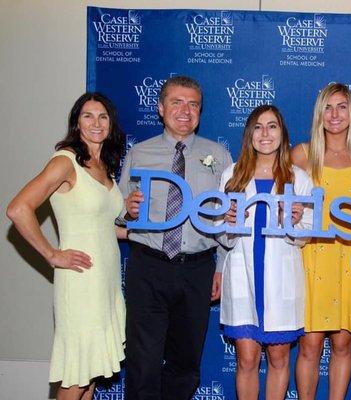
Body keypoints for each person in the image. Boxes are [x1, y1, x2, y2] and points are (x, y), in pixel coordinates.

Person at [6, 93, 126, 400]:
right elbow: (18, 209)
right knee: (76, 376)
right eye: (88, 116)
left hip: (105, 282)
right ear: (76, 122)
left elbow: (102, 227)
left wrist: (143, 232)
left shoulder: (103, 167)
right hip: (81, 281)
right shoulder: (65, 162)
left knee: (90, 373)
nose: (96, 123)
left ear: (111, 123)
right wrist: (51, 254)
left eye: (103, 116)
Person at [119, 75, 232, 400]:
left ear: (200, 111)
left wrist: (221, 266)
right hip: (148, 267)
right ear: (160, 108)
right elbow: (120, 213)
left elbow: (225, 219)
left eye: (193, 104)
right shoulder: (140, 153)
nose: (185, 111)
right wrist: (127, 210)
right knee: (143, 362)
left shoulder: (218, 155)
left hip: (197, 269)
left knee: (186, 362)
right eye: (177, 102)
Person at [218, 104, 313, 400]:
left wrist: (295, 222)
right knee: (246, 358)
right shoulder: (231, 174)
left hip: (279, 279)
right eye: (258, 127)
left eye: (272, 126)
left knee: (278, 357)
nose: (265, 133)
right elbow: (221, 232)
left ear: (282, 133)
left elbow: (307, 234)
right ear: (249, 134)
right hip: (243, 275)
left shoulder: (299, 178)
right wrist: (229, 223)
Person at [291, 82, 351, 399]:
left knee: (342, 341)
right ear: (319, 114)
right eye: (328, 107)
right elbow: (284, 204)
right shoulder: (302, 154)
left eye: (342, 106)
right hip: (312, 254)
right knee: (310, 342)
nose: (335, 114)